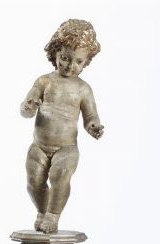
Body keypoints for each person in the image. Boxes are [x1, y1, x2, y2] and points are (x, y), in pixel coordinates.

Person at [21, 19, 104, 233]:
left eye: (78, 61)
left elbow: (90, 116)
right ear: (55, 52)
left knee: (61, 174)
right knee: (33, 182)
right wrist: (29, 106)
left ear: (86, 61)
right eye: (65, 58)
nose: (69, 65)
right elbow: (26, 109)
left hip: (66, 148)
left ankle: (53, 215)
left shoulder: (83, 89)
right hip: (39, 146)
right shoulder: (44, 82)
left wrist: (93, 126)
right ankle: (42, 210)